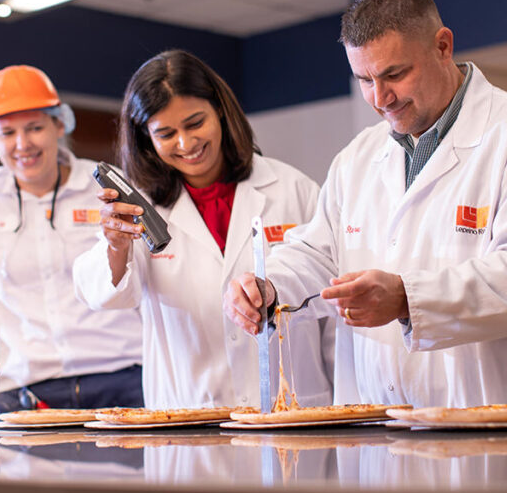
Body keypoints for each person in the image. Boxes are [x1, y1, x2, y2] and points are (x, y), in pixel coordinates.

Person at [224, 0, 507, 408]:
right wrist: (270, 285)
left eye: (394, 74)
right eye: (364, 79)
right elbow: (319, 256)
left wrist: (407, 298)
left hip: (505, 426)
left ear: (442, 46)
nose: (380, 98)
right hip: (384, 430)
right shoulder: (357, 158)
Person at [73, 50, 333, 409]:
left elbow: (331, 304)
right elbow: (105, 295)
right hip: (188, 416)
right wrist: (116, 246)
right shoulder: (137, 210)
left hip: (292, 411)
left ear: (222, 112)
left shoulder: (293, 189)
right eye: (165, 133)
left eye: (195, 123)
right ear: (146, 138)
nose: (186, 143)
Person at [0, 65, 143, 427]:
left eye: (35, 127)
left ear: (59, 125)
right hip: (31, 396)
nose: (23, 144)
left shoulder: (107, 188)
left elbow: (148, 280)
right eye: (7, 132)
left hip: (126, 385)